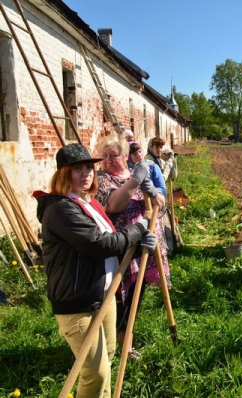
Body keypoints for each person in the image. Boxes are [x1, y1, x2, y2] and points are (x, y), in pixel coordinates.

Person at [33, 143, 155, 398]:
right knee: (95, 373)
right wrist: (138, 228)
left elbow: (109, 241)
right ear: (63, 174)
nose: (86, 173)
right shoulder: (61, 208)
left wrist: (140, 240)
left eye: (89, 167)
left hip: (104, 295)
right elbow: (98, 245)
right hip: (78, 301)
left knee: (106, 359)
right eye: (77, 169)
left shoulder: (86, 202)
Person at [95, 135, 169, 357]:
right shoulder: (101, 179)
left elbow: (161, 207)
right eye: (104, 156)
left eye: (114, 155)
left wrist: (153, 192)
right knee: (118, 295)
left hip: (145, 245)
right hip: (120, 246)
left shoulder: (136, 176)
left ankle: (126, 341)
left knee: (137, 294)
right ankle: (115, 344)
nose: (108, 160)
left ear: (125, 156)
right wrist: (135, 180)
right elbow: (113, 205)